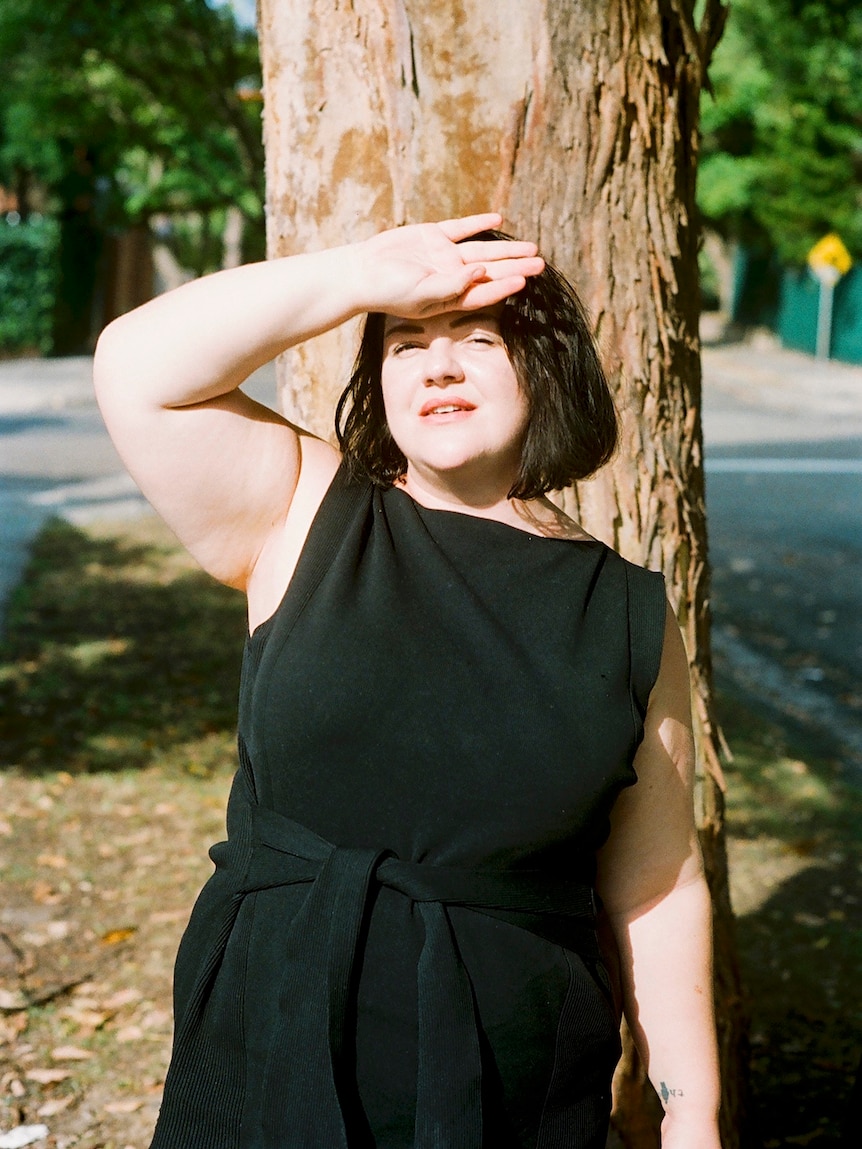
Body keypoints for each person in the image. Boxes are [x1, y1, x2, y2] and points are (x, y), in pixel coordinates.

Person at [93, 212, 721, 1149]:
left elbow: (656, 886)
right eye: (407, 341)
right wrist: (358, 275)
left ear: (546, 372)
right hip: (276, 1034)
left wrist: (692, 1112)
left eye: (477, 340)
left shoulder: (626, 613)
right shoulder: (303, 509)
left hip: (515, 1075)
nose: (437, 365)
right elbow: (135, 368)